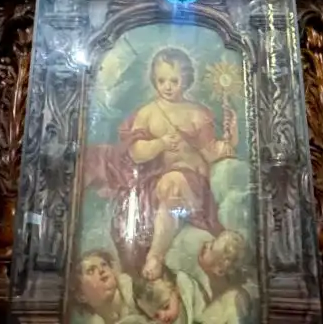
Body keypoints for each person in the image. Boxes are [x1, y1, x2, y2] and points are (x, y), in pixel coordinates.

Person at [113, 48, 237, 282]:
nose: (167, 86)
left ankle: (156, 255)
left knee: (173, 183)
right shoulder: (148, 113)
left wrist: (232, 138)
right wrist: (159, 144)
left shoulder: (196, 113)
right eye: (161, 80)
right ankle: (151, 257)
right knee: (165, 185)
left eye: (174, 80)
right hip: (154, 183)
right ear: (153, 80)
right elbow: (136, 153)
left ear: (186, 80)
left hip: (193, 185)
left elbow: (211, 153)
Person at [72, 248, 140, 324]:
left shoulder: (138, 293)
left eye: (104, 265)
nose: (101, 270)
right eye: (91, 271)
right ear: (81, 295)